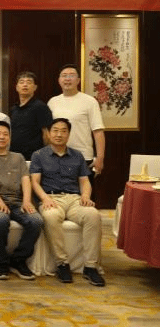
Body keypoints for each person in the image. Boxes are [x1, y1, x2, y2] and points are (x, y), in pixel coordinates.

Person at [30, 118, 105, 287]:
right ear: (49, 134)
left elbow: (84, 181)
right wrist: (45, 198)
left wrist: (86, 196)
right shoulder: (39, 155)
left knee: (93, 215)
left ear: (69, 134)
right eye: (55, 130)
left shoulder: (77, 155)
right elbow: (34, 182)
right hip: (51, 198)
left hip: (74, 199)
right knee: (51, 217)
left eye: (63, 131)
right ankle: (62, 264)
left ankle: (90, 267)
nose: (59, 134)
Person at [0, 121, 43, 280]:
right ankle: (1, 262)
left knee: (36, 220)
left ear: (10, 138)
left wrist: (27, 201)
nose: (2, 137)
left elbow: (26, 180)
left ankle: (18, 260)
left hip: (18, 202)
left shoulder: (18, 157)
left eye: (5, 134)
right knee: (0, 220)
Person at [47, 64, 105, 179]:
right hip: (57, 156)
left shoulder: (89, 101)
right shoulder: (52, 102)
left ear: (78, 80)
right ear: (59, 80)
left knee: (85, 190)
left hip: (83, 156)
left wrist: (100, 158)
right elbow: (48, 131)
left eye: (71, 75)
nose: (67, 79)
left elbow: (98, 131)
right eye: (64, 76)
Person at [9, 71, 53, 161]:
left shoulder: (40, 107)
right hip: (15, 156)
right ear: (17, 87)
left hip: (34, 157)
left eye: (29, 82)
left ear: (35, 87)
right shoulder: (14, 109)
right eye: (21, 82)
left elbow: (47, 135)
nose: (25, 85)